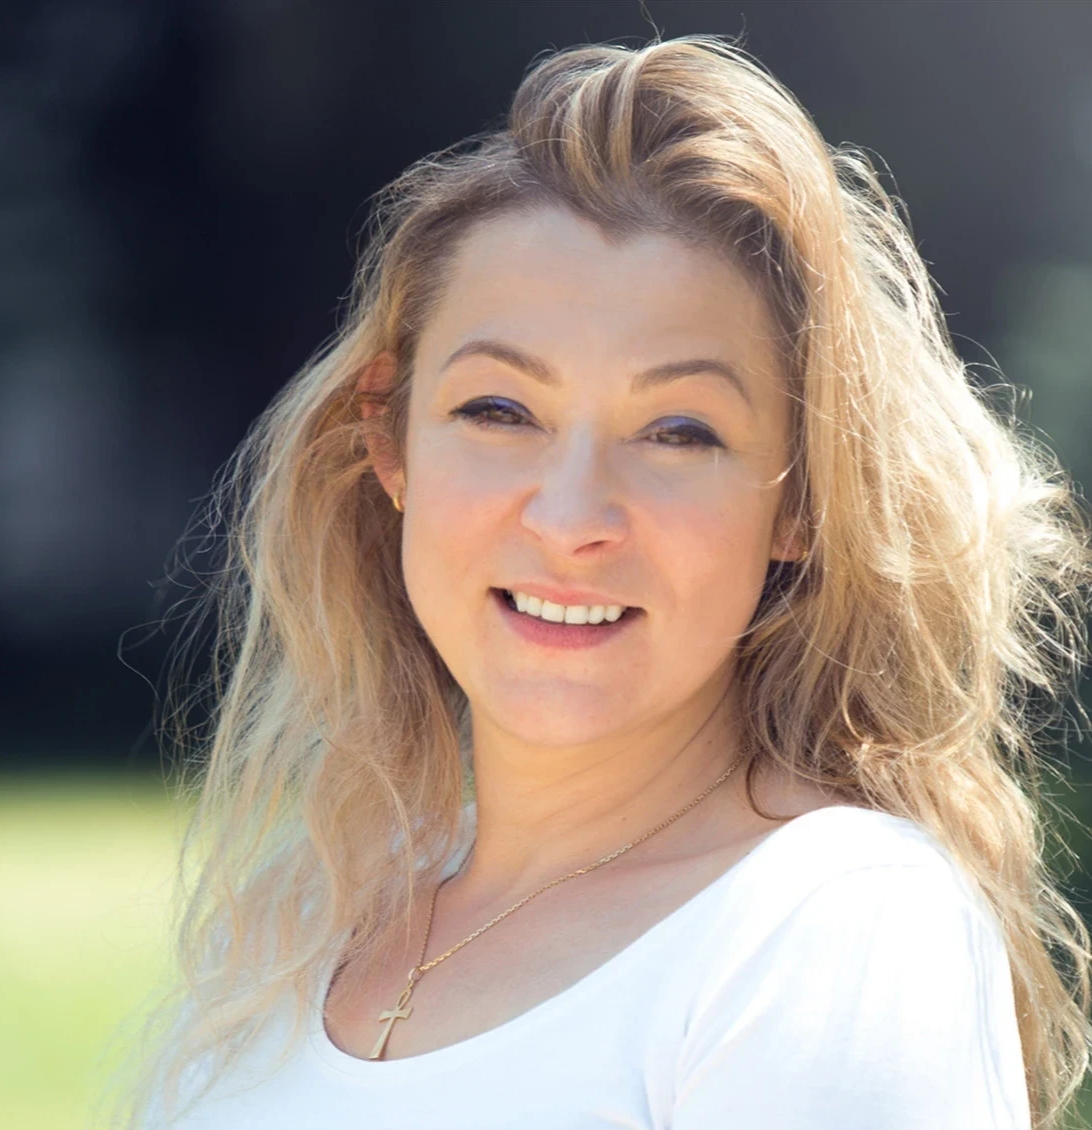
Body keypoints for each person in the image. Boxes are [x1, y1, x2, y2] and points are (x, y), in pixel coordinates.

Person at [105, 34, 1092, 1130]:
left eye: (677, 432)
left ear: (801, 501)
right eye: (499, 411)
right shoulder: (301, 919)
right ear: (390, 442)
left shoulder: (831, 926)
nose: (572, 517)